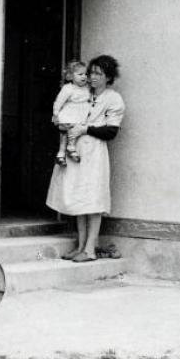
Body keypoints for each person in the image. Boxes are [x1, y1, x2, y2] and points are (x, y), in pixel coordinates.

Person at [46, 55, 125, 263]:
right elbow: (64, 112)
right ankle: (80, 245)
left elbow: (111, 131)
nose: (93, 77)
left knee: (93, 198)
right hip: (76, 150)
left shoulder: (112, 98)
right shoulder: (81, 92)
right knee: (77, 197)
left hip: (94, 153)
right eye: (92, 72)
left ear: (108, 77)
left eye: (99, 73)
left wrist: (86, 128)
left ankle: (90, 249)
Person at [52, 60, 92, 166]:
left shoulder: (87, 89)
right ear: (71, 76)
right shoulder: (68, 88)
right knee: (65, 133)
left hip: (80, 115)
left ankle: (67, 151)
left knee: (72, 133)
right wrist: (55, 113)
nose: (84, 77)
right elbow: (59, 101)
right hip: (69, 114)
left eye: (86, 74)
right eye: (80, 74)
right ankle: (64, 152)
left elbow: (91, 100)